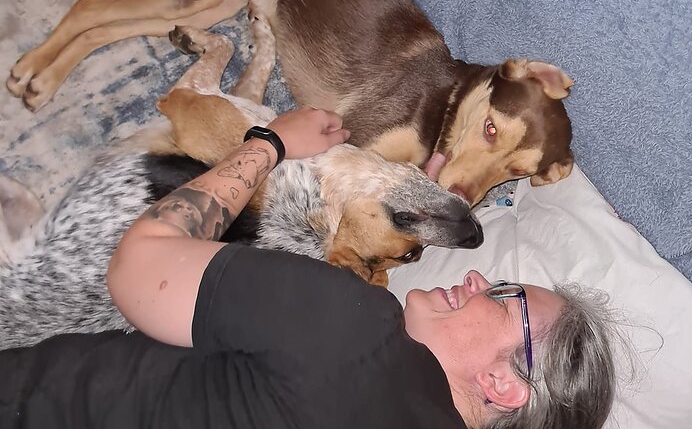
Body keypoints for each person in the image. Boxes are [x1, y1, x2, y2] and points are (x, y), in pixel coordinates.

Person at [0, 107, 617, 429]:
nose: (480, 279)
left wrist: (269, 144)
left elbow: (137, 267)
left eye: (505, 296)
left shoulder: (353, 330)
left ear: (504, 386)